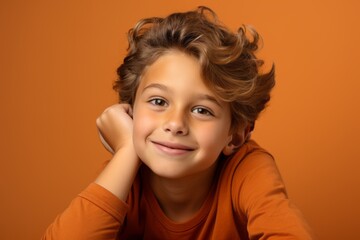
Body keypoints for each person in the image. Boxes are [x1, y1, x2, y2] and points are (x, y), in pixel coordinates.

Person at [42, 6, 314, 239]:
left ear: (235, 136)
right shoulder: (124, 177)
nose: (175, 124)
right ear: (130, 111)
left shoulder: (246, 171)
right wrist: (126, 153)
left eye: (201, 110)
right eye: (158, 102)